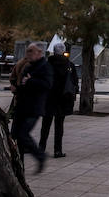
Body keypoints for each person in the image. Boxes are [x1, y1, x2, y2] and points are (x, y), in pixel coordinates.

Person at [10, 43, 52, 172]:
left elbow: (47, 85)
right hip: (21, 106)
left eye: (31, 51)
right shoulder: (28, 67)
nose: (28, 53)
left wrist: (30, 81)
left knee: (23, 134)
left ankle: (40, 156)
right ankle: (18, 164)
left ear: (39, 53)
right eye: (27, 51)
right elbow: (21, 82)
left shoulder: (44, 67)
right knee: (14, 135)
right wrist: (17, 88)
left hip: (33, 107)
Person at [39, 44, 79, 158]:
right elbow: (75, 82)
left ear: (53, 51)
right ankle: (58, 150)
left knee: (45, 125)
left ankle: (41, 148)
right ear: (63, 52)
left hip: (49, 99)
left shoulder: (47, 64)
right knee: (59, 126)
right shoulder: (69, 65)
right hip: (63, 99)